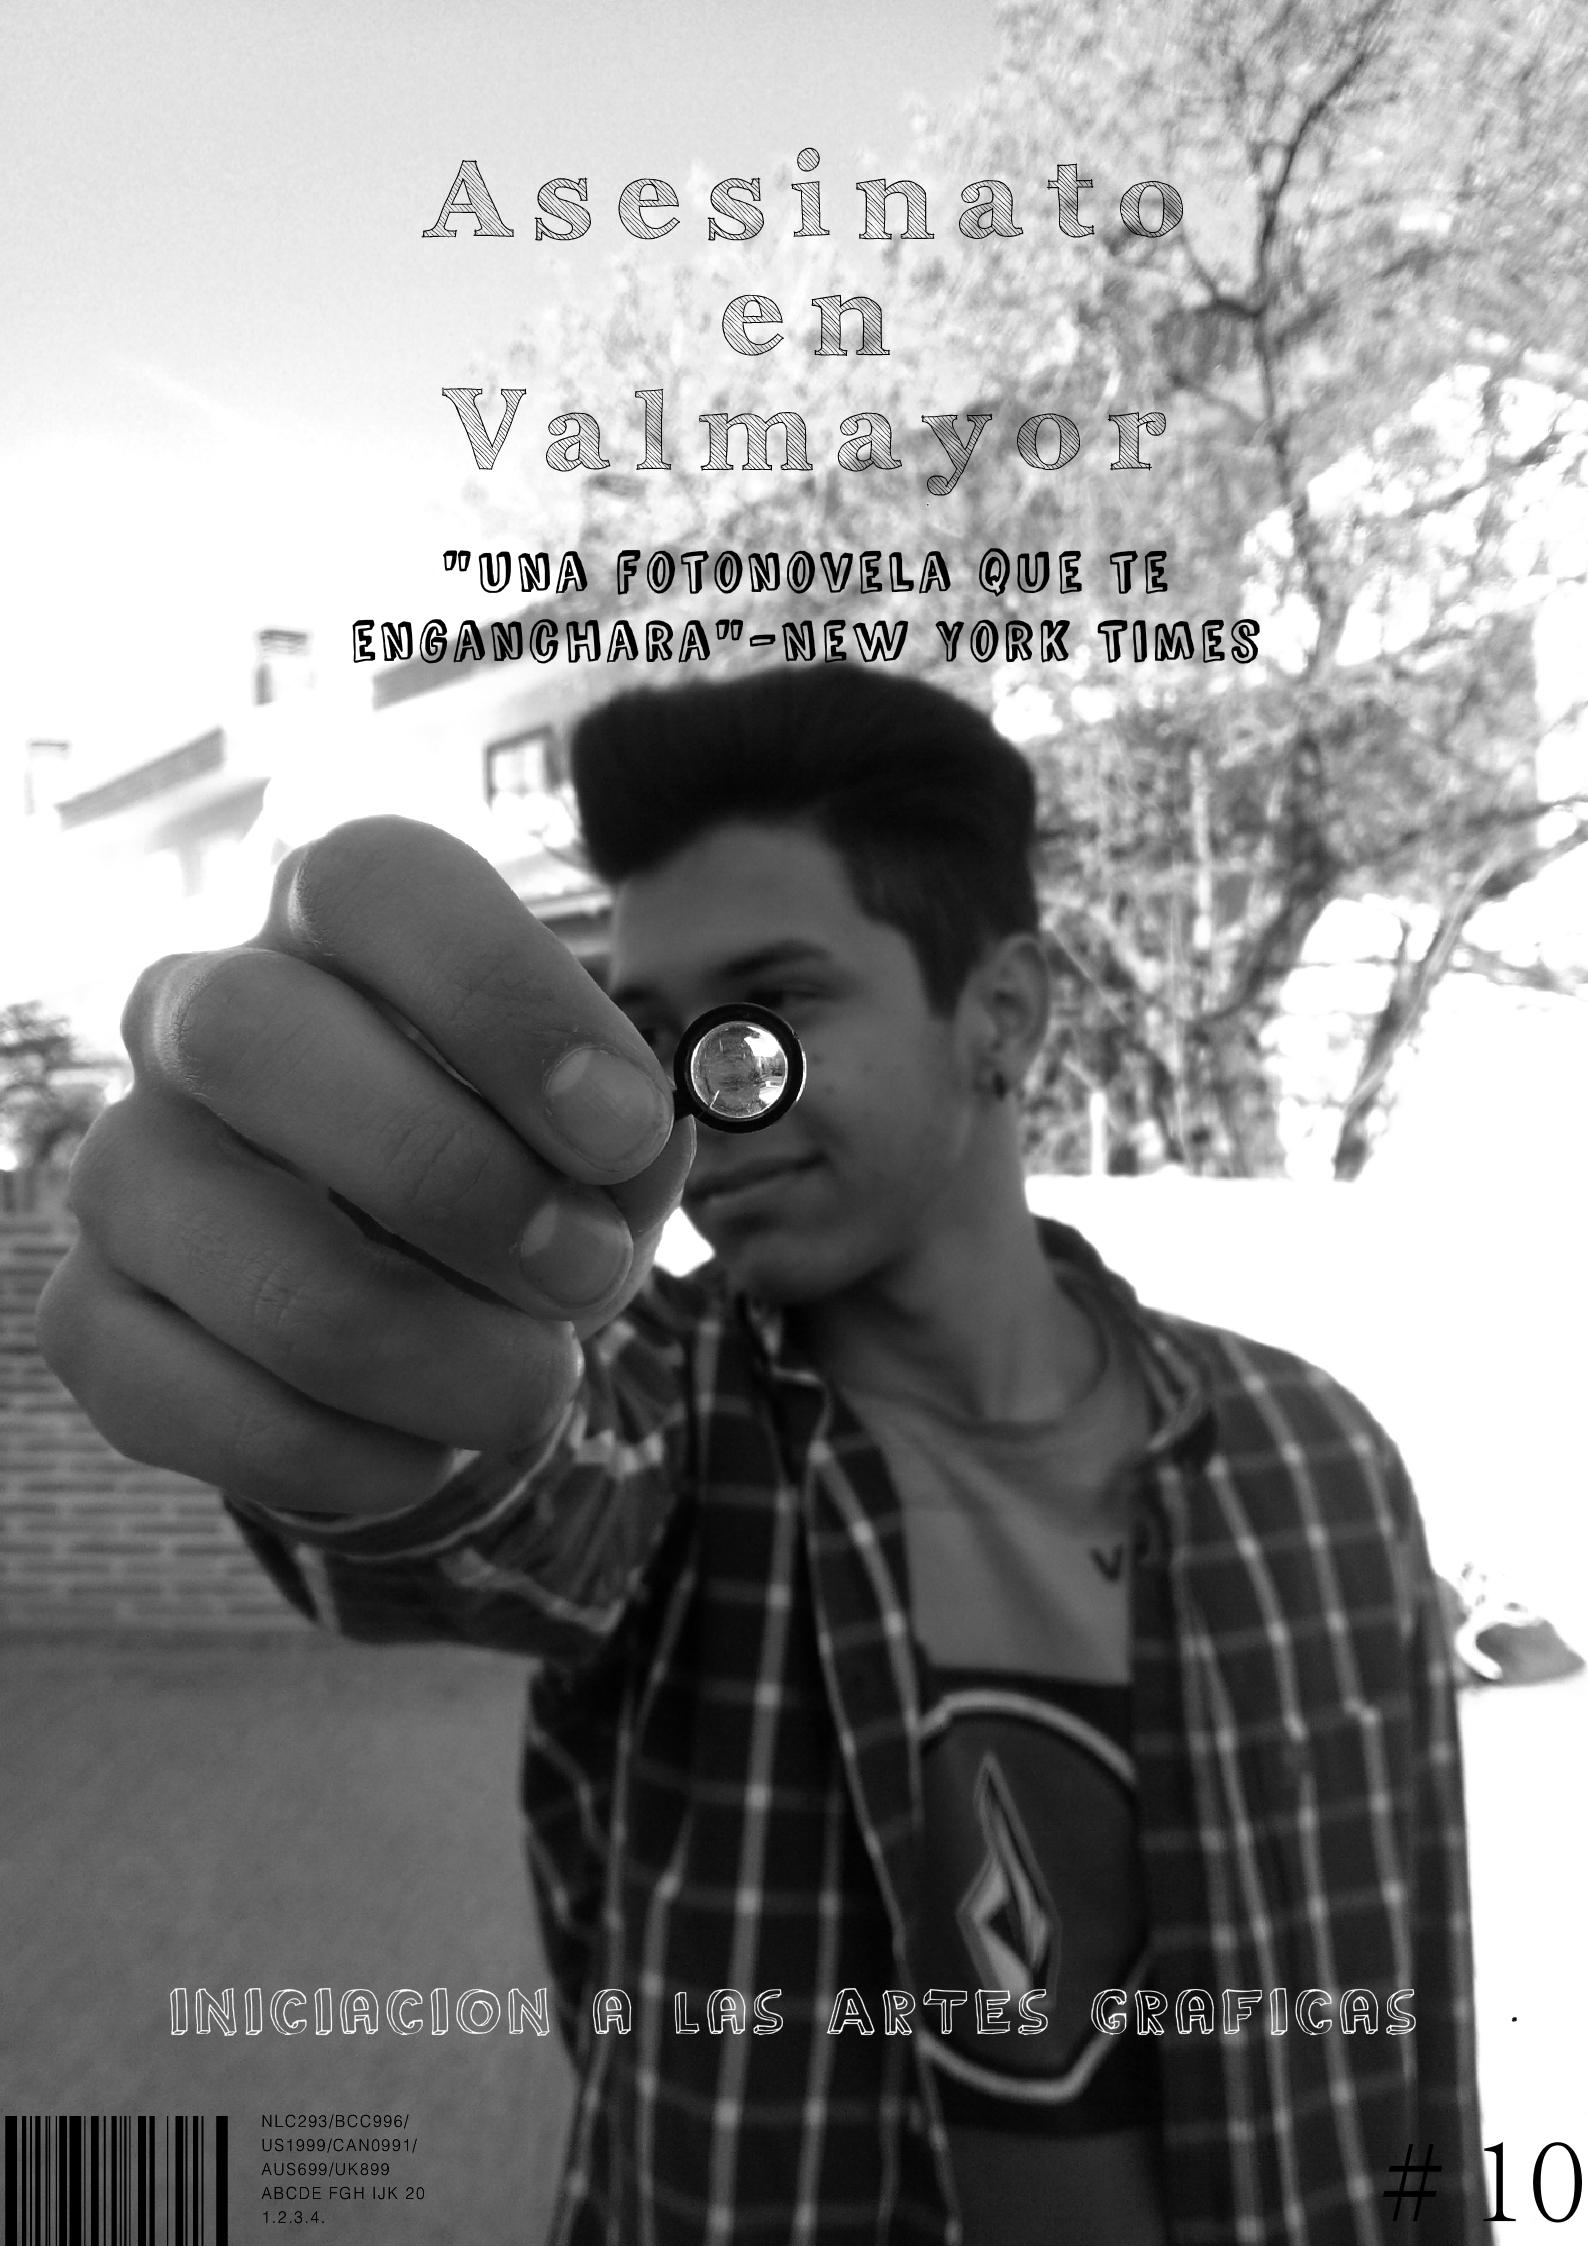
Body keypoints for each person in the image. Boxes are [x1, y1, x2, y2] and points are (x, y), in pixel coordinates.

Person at [38, 668, 1481, 2244]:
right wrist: (346, 1323)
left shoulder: (1318, 1466)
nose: (700, 1104)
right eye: (653, 1038)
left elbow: (1420, 2014)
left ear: (1002, 1012)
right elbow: (512, 1484)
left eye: (770, 1005)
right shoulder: (674, 1414)